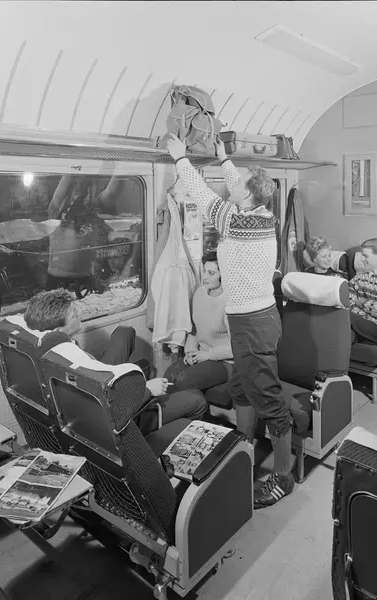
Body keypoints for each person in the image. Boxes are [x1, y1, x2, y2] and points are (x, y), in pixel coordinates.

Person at [166, 133, 293, 509]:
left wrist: (180, 158)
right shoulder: (258, 214)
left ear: (248, 195)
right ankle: (245, 449)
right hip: (250, 321)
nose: (230, 186)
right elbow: (240, 185)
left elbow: (203, 195)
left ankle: (282, 478)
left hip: (254, 324)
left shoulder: (237, 221)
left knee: (269, 400)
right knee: (240, 389)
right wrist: (224, 159)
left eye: (237, 184)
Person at [23, 289, 208, 435]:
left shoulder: (53, 351)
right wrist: (148, 390)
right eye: (73, 315)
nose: (79, 315)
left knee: (125, 333)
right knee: (197, 399)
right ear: (57, 330)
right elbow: (112, 408)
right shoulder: (74, 364)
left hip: (107, 387)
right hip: (126, 418)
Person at [165, 252, 233, 392]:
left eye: (211, 273)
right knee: (168, 377)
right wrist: (190, 352)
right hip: (201, 355)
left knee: (183, 380)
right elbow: (194, 330)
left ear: (224, 275)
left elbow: (237, 346)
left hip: (225, 361)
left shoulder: (230, 303)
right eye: (204, 271)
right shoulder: (199, 294)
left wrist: (209, 355)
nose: (205, 277)